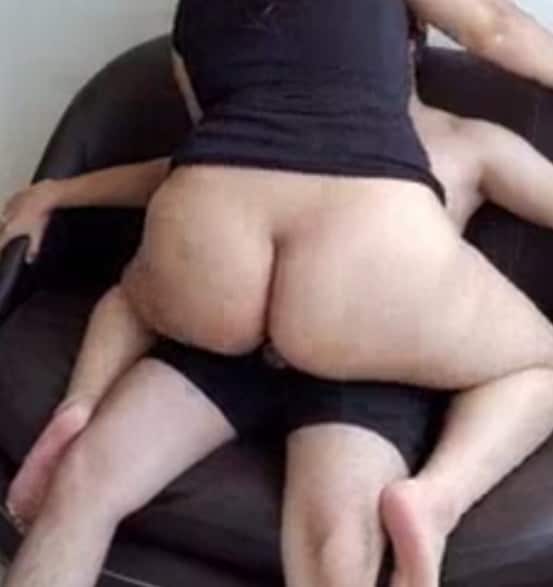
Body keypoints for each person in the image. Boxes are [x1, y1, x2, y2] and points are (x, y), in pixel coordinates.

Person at [3, 1, 553, 586]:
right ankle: (438, 498)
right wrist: (63, 192)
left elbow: (200, 162)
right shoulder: (358, 131)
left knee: (98, 465)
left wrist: (56, 191)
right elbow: (496, 27)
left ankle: (80, 404)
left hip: (335, 352)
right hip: (307, 331)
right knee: (92, 478)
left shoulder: (467, 141)